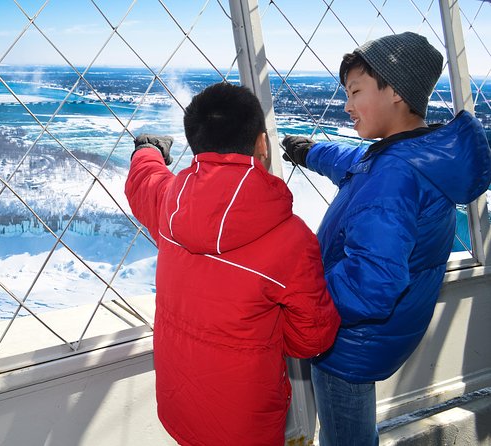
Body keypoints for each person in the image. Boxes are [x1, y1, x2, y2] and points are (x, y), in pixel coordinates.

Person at [281, 32, 491, 445]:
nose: (346, 105)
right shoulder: (415, 153)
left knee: (347, 437)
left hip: (347, 343)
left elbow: (373, 285)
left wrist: (305, 302)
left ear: (395, 91)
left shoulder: (393, 176)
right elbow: (355, 161)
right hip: (377, 337)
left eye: (355, 91)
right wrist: (311, 152)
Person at [125, 82, 340, 446]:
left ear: (195, 143)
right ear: (261, 144)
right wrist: (264, 334)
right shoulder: (291, 239)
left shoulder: (169, 202)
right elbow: (312, 338)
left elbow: (144, 181)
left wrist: (147, 150)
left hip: (180, 404)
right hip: (246, 422)